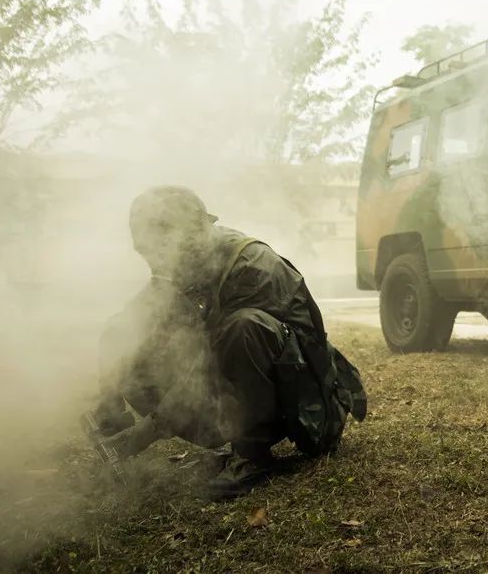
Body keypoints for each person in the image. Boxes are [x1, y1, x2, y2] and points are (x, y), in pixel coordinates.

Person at [89, 186, 365, 500]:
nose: (154, 262)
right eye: (146, 251)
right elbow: (129, 325)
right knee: (125, 330)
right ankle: (228, 441)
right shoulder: (186, 264)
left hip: (305, 407)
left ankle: (252, 455)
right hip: (242, 393)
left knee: (243, 327)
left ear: (190, 235)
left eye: (159, 249)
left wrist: (149, 429)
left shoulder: (253, 267)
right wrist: (110, 409)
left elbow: (209, 362)